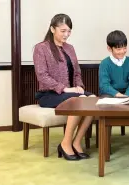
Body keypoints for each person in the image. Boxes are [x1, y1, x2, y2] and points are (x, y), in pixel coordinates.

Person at [33, 14, 95, 161]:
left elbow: (77, 72)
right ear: (52, 29)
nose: (66, 34)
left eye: (69, 31)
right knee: (77, 100)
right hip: (48, 94)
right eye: (63, 31)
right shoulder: (41, 48)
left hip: (70, 92)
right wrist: (65, 89)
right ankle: (65, 143)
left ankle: (76, 142)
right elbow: (42, 76)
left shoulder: (70, 48)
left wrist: (79, 86)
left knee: (92, 99)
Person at [98, 30, 129, 152]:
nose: (122, 52)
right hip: (111, 94)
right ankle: (105, 141)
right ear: (110, 48)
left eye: (124, 48)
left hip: (128, 94)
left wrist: (127, 96)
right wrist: (118, 95)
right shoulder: (105, 63)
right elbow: (104, 85)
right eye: (118, 49)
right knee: (104, 102)